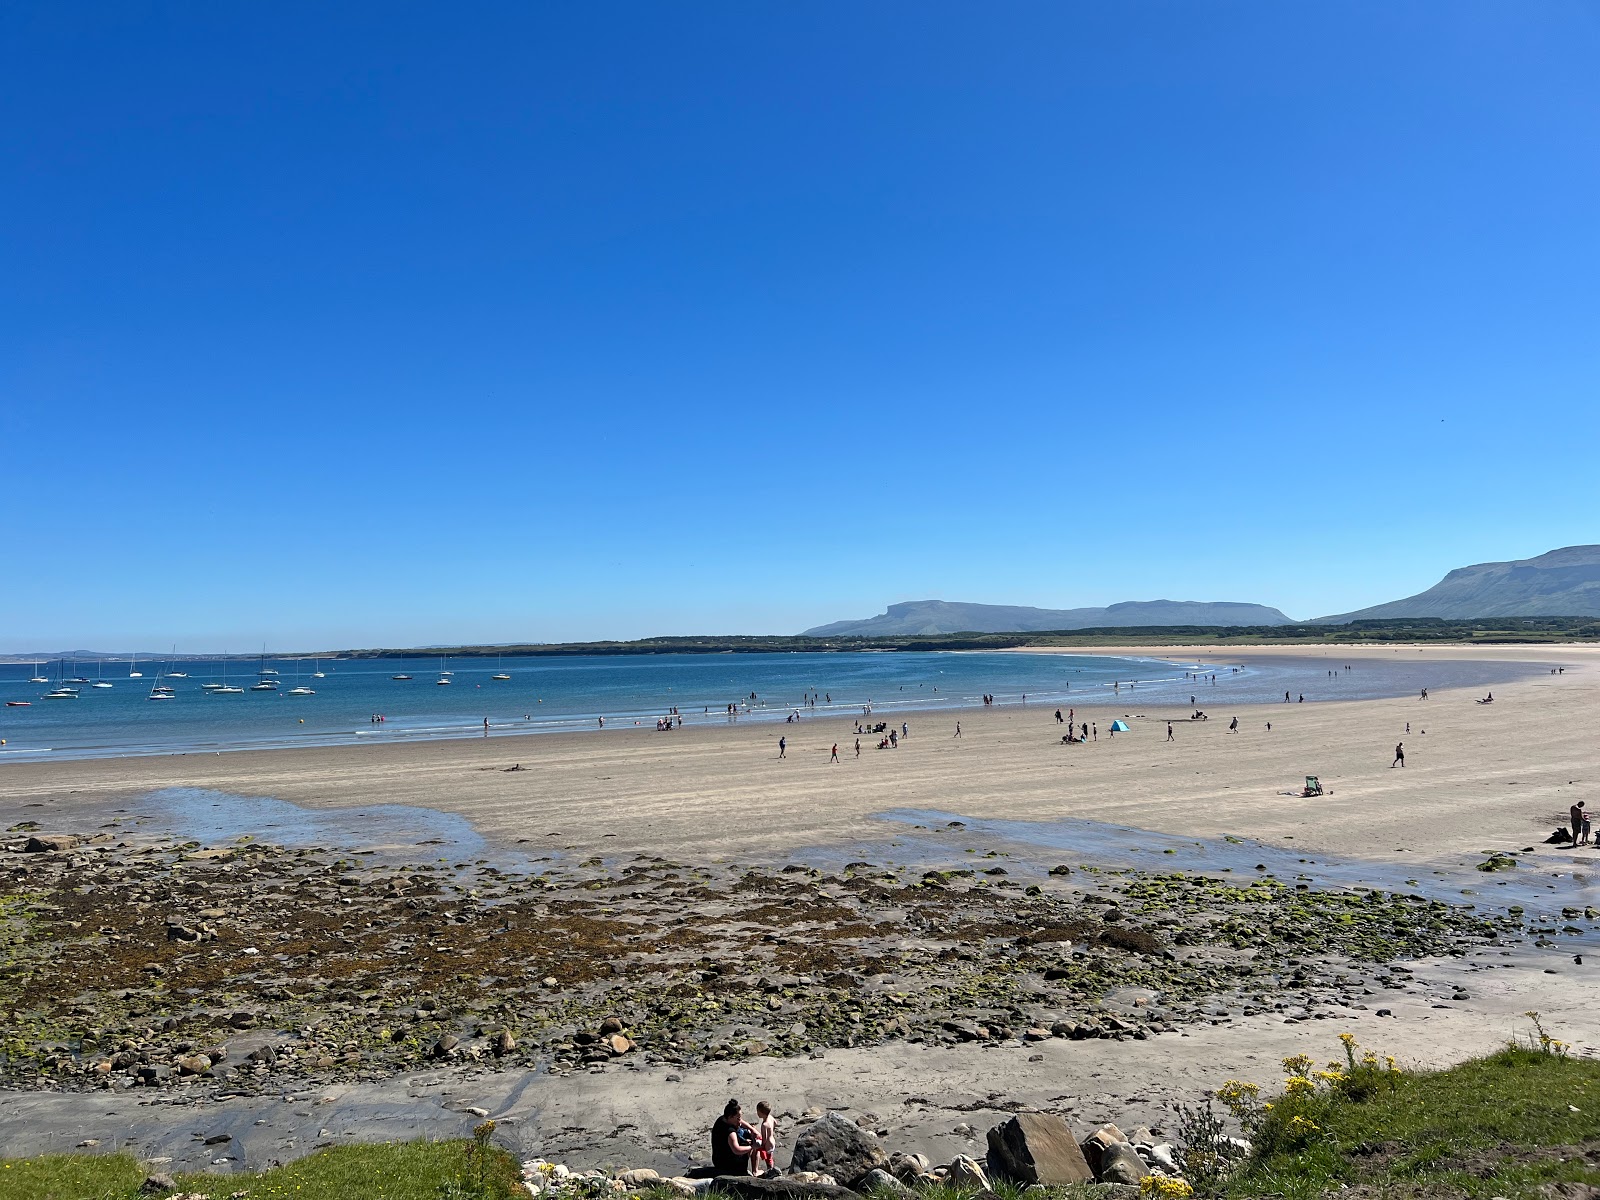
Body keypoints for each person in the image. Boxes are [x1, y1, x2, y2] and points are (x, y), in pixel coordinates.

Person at [710, 1100, 758, 1176]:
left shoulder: (722, 1119)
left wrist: (752, 1130)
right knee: (754, 1142)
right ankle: (751, 1171)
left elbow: (741, 1121)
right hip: (727, 1164)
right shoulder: (730, 1132)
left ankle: (754, 1170)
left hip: (718, 1157)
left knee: (750, 1134)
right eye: (738, 1118)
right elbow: (736, 1150)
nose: (739, 1121)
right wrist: (752, 1147)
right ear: (730, 1117)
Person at [754, 1101, 777, 1173]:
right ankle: (771, 1168)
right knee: (770, 1157)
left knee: (768, 1159)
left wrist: (762, 1145)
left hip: (768, 1144)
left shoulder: (764, 1125)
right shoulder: (770, 1117)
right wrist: (772, 1130)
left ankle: (770, 1170)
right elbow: (775, 1123)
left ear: (761, 1113)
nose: (757, 1113)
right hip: (772, 1140)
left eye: (758, 1112)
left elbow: (765, 1138)